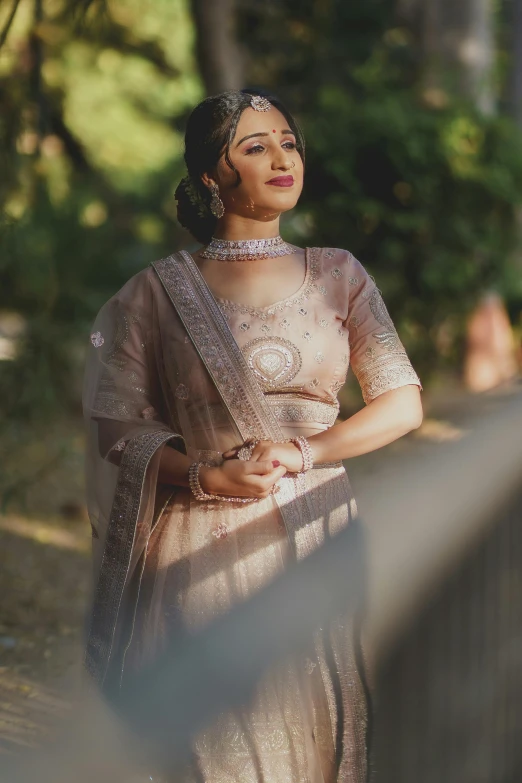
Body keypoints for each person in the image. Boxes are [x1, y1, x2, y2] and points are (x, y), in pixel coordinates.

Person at [83, 88, 423, 783]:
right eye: (255, 145)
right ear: (212, 175)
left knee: (316, 732)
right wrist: (205, 475)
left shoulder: (340, 274)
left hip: (318, 532)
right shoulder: (157, 291)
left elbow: (403, 403)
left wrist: (307, 451)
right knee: (217, 748)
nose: (281, 158)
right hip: (198, 547)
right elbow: (115, 424)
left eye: (289, 142)